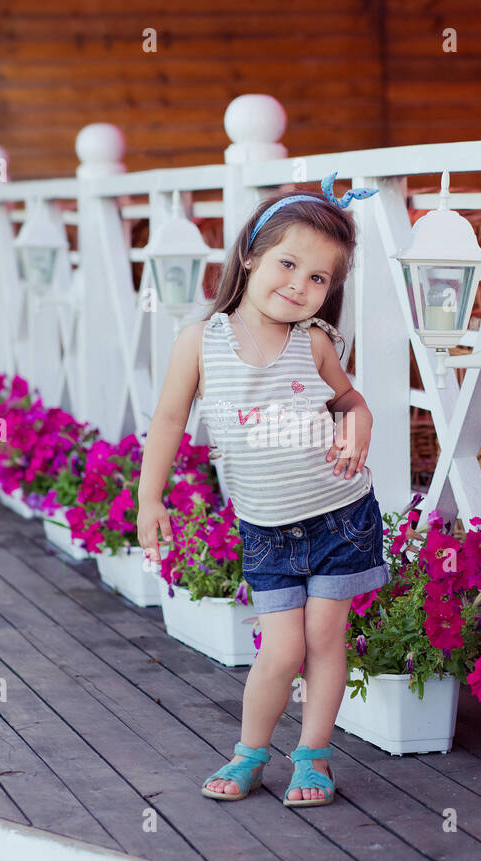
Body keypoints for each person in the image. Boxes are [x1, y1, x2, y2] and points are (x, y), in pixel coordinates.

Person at [136, 172, 390, 808]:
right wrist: (150, 498)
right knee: (281, 648)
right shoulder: (203, 341)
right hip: (268, 526)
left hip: (340, 516)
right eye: (287, 263)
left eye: (318, 279)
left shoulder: (316, 343)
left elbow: (353, 402)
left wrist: (356, 432)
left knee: (326, 638)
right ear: (249, 254)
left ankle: (313, 756)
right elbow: (168, 420)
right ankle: (251, 750)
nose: (299, 286)